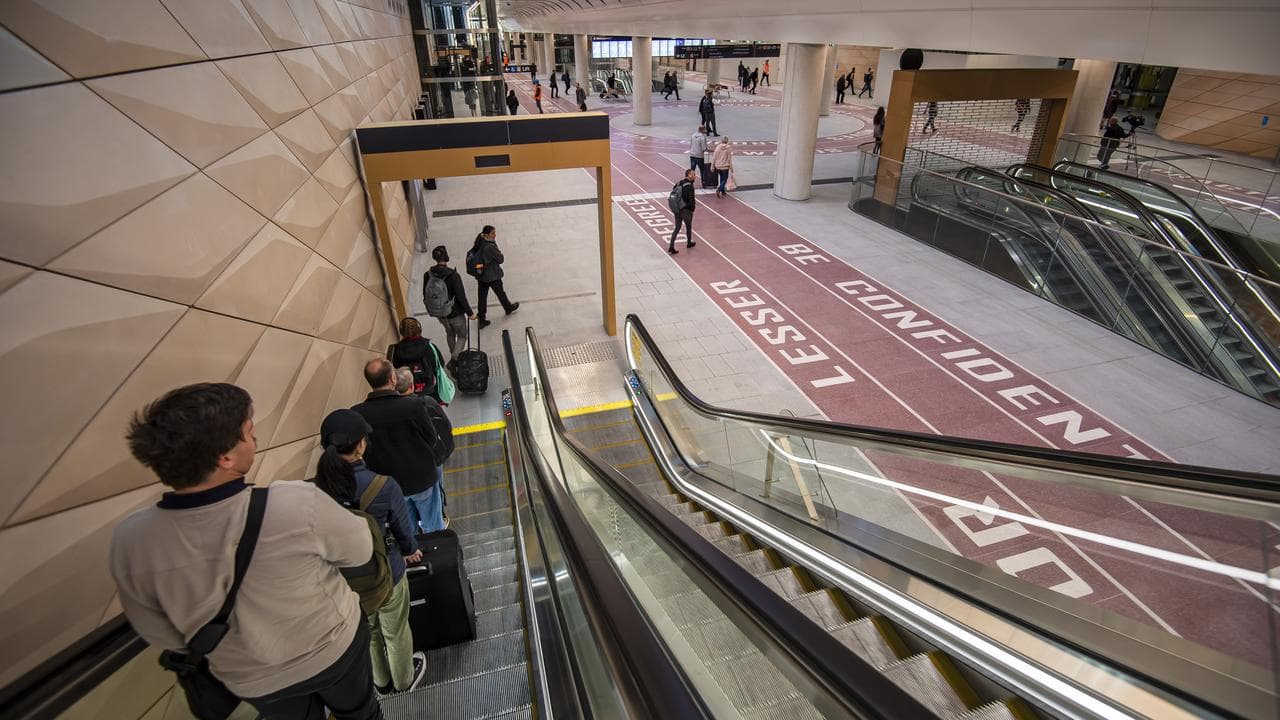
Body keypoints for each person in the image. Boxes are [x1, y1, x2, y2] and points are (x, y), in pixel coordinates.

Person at [110, 383, 383, 720]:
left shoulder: (132, 541)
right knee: (360, 713)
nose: (254, 439)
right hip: (332, 649)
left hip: (253, 679)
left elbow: (160, 633)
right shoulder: (293, 504)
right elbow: (359, 550)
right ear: (224, 457)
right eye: (248, 432)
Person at [313, 409, 425, 696]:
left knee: (370, 632)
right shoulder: (383, 486)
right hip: (386, 572)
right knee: (396, 630)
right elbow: (402, 531)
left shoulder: (314, 491)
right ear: (361, 444)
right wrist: (411, 551)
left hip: (343, 581)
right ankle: (404, 680)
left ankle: (381, 683)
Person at [352, 359, 445, 534]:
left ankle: (417, 555)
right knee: (433, 524)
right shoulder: (413, 405)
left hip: (389, 486)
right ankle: (439, 550)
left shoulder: (358, 414)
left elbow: (362, 453)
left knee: (407, 527)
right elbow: (431, 438)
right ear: (393, 379)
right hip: (421, 478)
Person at [424, 245, 476, 372]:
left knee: (449, 333)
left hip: (440, 315)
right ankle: (454, 360)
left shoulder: (428, 274)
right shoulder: (453, 275)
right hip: (455, 313)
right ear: (446, 258)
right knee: (462, 336)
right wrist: (470, 313)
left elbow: (425, 294)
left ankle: (455, 358)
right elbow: (461, 297)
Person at [472, 225, 519, 328]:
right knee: (500, 293)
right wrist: (495, 246)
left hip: (481, 275)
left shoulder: (479, 241)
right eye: (493, 233)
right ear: (488, 235)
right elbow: (500, 259)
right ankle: (508, 307)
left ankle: (482, 318)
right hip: (492, 275)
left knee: (482, 297)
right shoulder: (490, 246)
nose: (495, 235)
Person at [388, 317, 439, 401]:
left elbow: (396, 367)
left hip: (408, 388)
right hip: (428, 384)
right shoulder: (428, 345)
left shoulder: (397, 349)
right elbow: (437, 365)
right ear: (419, 329)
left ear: (401, 332)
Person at [668, 168, 697, 255]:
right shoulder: (689, 186)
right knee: (688, 227)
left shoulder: (679, 183)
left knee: (677, 228)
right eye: (694, 174)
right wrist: (692, 209)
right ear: (689, 175)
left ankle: (671, 246)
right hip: (686, 210)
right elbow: (691, 199)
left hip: (677, 209)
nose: (695, 176)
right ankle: (689, 242)